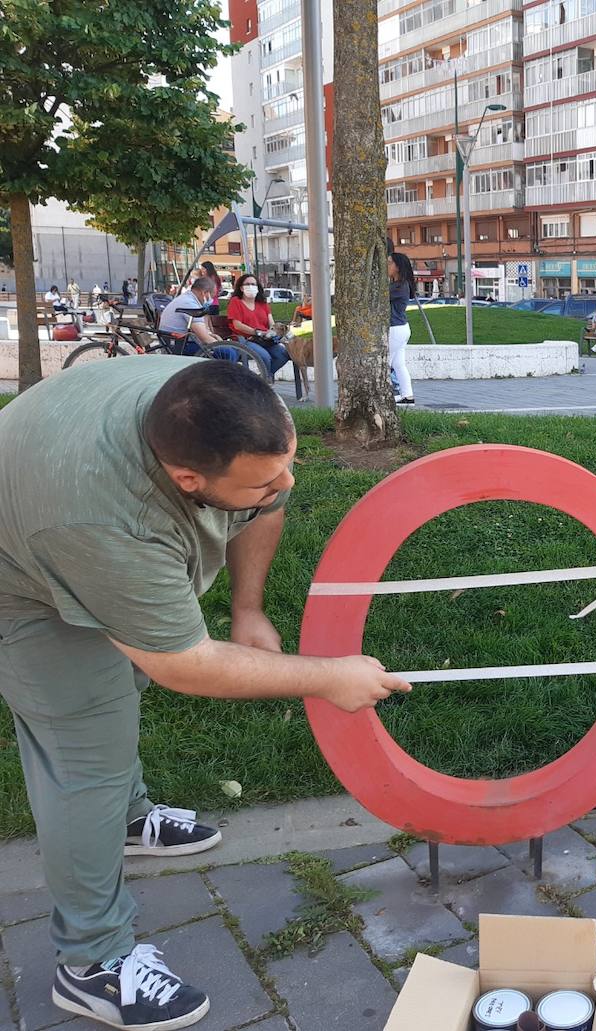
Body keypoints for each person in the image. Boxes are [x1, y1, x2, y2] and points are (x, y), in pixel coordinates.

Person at [0, 359, 411, 1030]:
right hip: (17, 572)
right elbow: (183, 664)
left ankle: (127, 822)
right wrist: (330, 676)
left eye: (288, 461)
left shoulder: (224, 407)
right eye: (264, 479)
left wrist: (248, 609)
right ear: (189, 479)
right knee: (82, 751)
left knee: (115, 686)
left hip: (58, 494)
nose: (287, 483)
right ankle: (92, 962)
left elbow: (265, 504)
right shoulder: (107, 520)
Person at [226, 273, 290, 377]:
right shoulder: (236, 302)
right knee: (264, 357)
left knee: (283, 355)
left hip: (264, 339)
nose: (250, 286)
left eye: (253, 284)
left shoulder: (262, 303)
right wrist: (257, 332)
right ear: (241, 288)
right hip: (246, 339)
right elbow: (237, 325)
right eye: (247, 284)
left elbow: (271, 323)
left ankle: (263, 379)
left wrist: (273, 333)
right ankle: (266, 381)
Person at [158, 276, 231, 359]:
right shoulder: (190, 304)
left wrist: (213, 336)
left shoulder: (185, 298)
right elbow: (204, 338)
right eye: (212, 296)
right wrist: (223, 345)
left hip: (173, 343)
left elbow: (204, 332)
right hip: (180, 347)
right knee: (228, 353)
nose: (212, 300)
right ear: (204, 293)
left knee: (225, 351)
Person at [388, 250, 416, 405]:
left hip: (396, 329)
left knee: (385, 362)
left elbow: (379, 296)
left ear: (398, 267)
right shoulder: (398, 285)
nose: (387, 265)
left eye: (390, 262)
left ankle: (383, 395)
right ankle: (407, 396)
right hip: (401, 328)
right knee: (398, 364)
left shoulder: (399, 287)